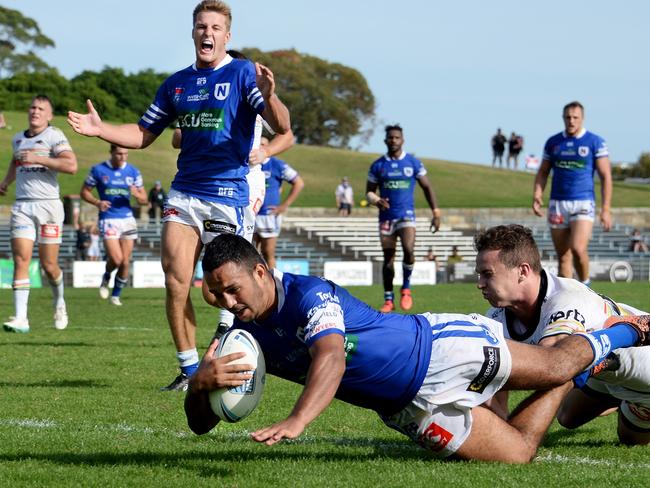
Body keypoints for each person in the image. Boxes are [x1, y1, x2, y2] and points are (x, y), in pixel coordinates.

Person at [184, 233, 650, 463]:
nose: (228, 302)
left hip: (439, 351)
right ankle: (583, 370)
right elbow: (203, 424)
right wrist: (198, 388)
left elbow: (330, 355)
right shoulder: (241, 337)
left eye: (234, 289)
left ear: (261, 272)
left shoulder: (309, 294)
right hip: (405, 408)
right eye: (218, 294)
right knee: (518, 453)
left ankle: (625, 332)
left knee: (550, 365)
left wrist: (298, 419)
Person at [67, 0, 291, 391]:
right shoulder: (175, 84)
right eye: (202, 27)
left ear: (227, 35)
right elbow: (142, 134)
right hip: (184, 193)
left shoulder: (242, 72)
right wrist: (101, 129)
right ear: (193, 32)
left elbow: (282, 125)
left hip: (227, 194)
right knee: (175, 280)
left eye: (216, 28)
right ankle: (189, 370)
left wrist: (269, 96)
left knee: (225, 290)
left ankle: (263, 345)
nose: (208, 33)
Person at [474, 224, 650, 444]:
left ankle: (628, 404)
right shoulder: (497, 316)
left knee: (629, 440)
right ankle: (609, 392)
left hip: (644, 373)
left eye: (487, 274)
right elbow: (494, 383)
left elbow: (551, 367)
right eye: (479, 274)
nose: (479, 284)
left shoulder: (567, 300)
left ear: (523, 271)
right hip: (600, 369)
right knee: (567, 418)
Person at [0, 95, 78, 333]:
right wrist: (5, 182)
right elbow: (16, 161)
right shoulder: (18, 139)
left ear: (49, 115)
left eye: (41, 108)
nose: (35, 111)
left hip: (49, 207)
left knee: (49, 265)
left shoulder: (54, 136)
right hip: (23, 206)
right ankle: (21, 318)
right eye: (32, 107)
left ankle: (59, 302)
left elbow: (71, 165)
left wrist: (39, 158)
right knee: (21, 259)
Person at [533, 101, 612, 285]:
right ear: (563, 118)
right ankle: (565, 301)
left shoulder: (595, 142)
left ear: (582, 119)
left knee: (577, 248)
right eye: (568, 117)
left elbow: (606, 176)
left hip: (583, 202)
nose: (571, 121)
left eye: (575, 117)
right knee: (563, 257)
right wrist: (537, 193)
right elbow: (543, 171)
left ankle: (586, 285)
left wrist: (606, 209)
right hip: (558, 204)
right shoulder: (553, 143)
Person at [366, 124, 440, 312]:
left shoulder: (413, 163)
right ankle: (388, 299)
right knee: (388, 259)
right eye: (390, 137)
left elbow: (427, 187)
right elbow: (368, 192)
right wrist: (376, 200)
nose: (393, 140)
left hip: (406, 215)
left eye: (397, 137)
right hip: (386, 218)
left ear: (402, 140)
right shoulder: (378, 165)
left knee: (408, 249)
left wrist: (436, 212)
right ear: (385, 140)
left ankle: (406, 289)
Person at [80, 144, 148, 305]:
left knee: (125, 261)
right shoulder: (98, 170)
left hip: (128, 219)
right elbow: (84, 191)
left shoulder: (133, 172)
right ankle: (106, 277)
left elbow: (144, 200)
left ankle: (115, 295)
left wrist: (137, 194)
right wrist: (97, 202)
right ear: (111, 153)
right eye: (119, 154)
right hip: (108, 219)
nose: (122, 157)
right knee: (116, 260)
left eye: (125, 154)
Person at [253, 136, 304, 269]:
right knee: (250, 254)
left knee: (267, 252)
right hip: (251, 213)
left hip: (268, 215)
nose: (260, 147)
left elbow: (299, 183)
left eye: (263, 144)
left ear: (269, 146)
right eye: (257, 144)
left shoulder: (277, 164)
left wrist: (284, 205)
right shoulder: (249, 163)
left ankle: (273, 286)